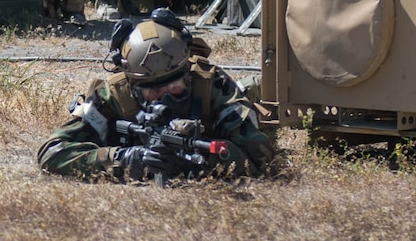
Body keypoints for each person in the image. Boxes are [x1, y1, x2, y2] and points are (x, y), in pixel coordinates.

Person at [36, 9, 278, 181]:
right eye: (152, 91)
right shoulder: (113, 95)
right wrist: (124, 160)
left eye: (173, 87)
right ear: (132, 84)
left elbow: (259, 157)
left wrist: (201, 162)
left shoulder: (211, 84)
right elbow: (52, 152)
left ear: (187, 72)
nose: (164, 98)